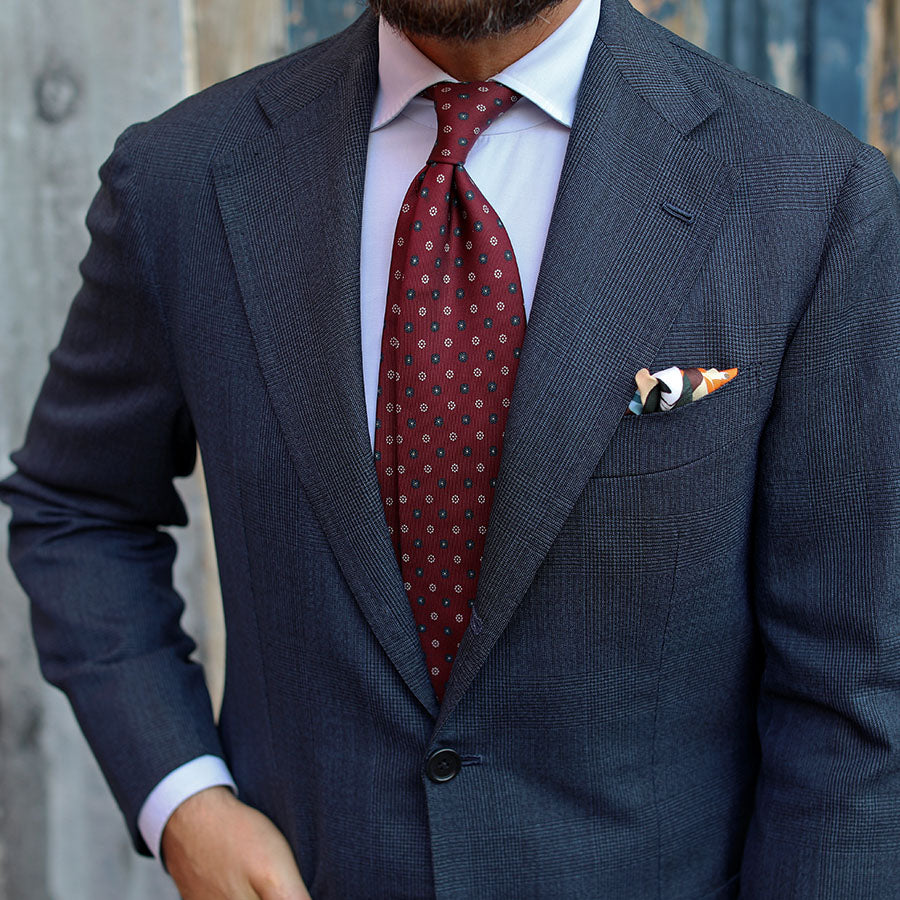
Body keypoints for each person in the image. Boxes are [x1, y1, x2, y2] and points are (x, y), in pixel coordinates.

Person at [3, 0, 899, 896]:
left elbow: (849, 697)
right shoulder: (183, 180)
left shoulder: (809, 198)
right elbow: (75, 508)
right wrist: (185, 800)